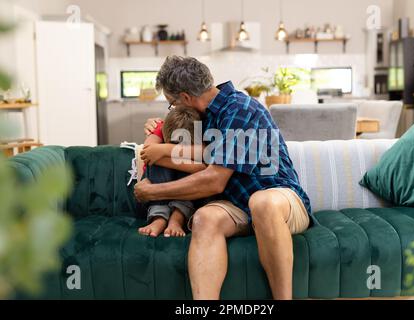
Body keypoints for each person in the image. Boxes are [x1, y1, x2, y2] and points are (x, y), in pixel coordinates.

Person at [135, 56, 314, 300]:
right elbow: (190, 157)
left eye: (171, 104)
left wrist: (153, 191)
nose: (172, 109)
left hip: (280, 197)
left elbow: (214, 180)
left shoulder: (240, 108)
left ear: (186, 98)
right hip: (238, 206)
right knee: (204, 218)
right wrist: (157, 129)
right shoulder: (201, 117)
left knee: (262, 202)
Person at [137, 106, 205, 238]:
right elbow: (146, 152)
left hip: (187, 200)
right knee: (158, 164)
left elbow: (202, 168)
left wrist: (163, 152)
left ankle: (177, 218)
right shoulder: (161, 127)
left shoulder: (199, 131)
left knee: (187, 166)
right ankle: (159, 218)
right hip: (152, 197)